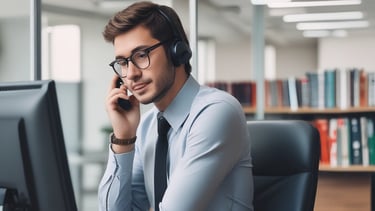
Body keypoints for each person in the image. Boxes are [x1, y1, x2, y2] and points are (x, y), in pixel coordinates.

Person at [98, 1, 254, 211]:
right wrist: (123, 139)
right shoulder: (147, 126)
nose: (131, 74)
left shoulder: (217, 112)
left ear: (176, 51)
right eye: (123, 63)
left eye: (142, 55)